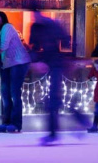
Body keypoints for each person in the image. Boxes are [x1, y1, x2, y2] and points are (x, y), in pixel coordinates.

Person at [29, 9, 89, 145]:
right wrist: (36, 61)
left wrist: (70, 58)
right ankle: (79, 120)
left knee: (54, 100)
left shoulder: (50, 24)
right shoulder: (36, 27)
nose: (35, 17)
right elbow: (34, 46)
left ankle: (55, 132)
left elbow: (66, 39)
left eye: (36, 15)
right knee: (54, 100)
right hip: (50, 63)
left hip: (57, 63)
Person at [0, 11, 31, 133]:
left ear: (3, 18)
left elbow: (3, 46)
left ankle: (16, 123)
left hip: (18, 62)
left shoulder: (7, 27)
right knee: (5, 93)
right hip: (8, 65)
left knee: (14, 93)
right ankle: (7, 122)